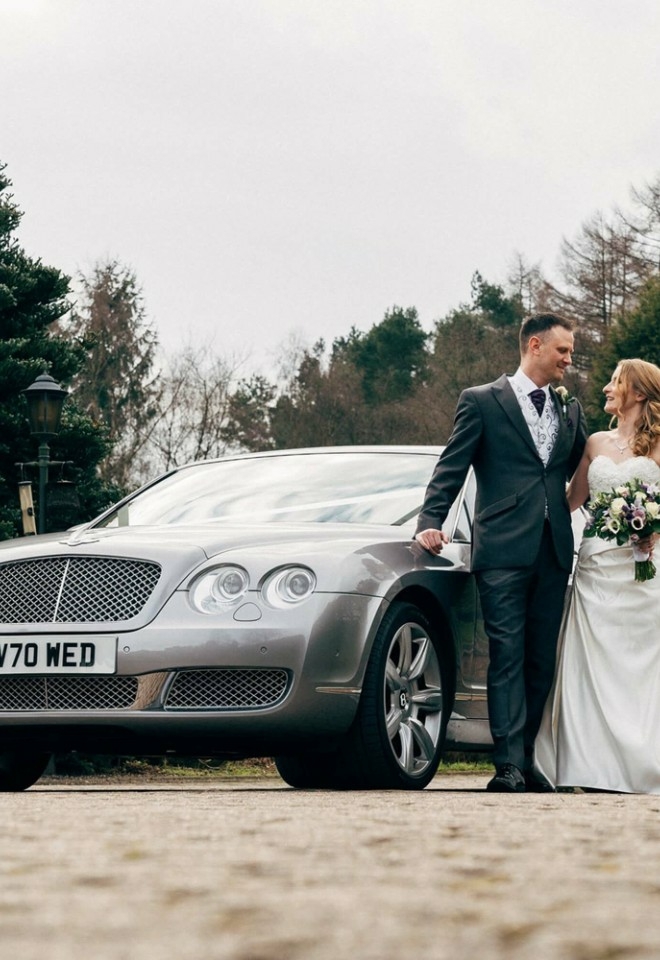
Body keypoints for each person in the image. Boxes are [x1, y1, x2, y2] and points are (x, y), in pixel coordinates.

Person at [415, 313, 587, 792]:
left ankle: (529, 758)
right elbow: (451, 468)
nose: (569, 361)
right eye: (563, 351)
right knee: (507, 655)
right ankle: (507, 764)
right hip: (503, 550)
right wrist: (431, 523)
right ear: (535, 345)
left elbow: (587, 470)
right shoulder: (481, 401)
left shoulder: (569, 407)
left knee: (540, 661)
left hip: (554, 550)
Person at [535, 358, 660, 794]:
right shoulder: (594, 442)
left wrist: (654, 534)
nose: (607, 388)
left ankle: (644, 760)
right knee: (593, 664)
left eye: (615, 382)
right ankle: (589, 765)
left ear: (639, 393)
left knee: (640, 664)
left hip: (644, 572)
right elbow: (571, 500)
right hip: (596, 564)